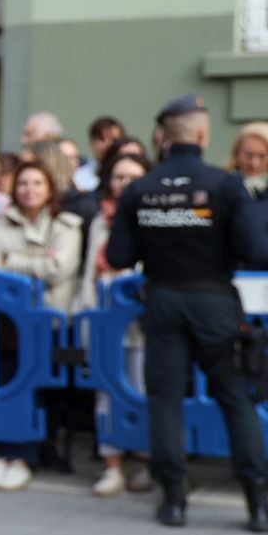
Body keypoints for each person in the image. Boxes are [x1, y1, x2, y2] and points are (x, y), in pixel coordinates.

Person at [106, 95, 268, 532]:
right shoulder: (225, 185)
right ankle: (258, 504)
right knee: (235, 399)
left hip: (162, 299)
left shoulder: (140, 189)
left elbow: (119, 255)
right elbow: (259, 250)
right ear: (202, 134)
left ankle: (173, 501)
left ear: (163, 137)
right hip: (214, 300)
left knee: (165, 401)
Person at [0, 157, 84, 492]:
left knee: (37, 390)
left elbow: (60, 268)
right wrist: (35, 264)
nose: (29, 189)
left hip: (48, 319)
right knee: (5, 385)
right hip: (7, 322)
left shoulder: (66, 225)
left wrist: (14, 261)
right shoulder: (1, 224)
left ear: (50, 188)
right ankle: (2, 454)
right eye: (23, 183)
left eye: (37, 183)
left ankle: (24, 456)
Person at [81, 152, 153, 497]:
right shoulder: (100, 221)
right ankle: (111, 465)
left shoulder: (154, 218)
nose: (124, 184)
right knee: (105, 395)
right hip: (104, 320)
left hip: (140, 324)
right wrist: (86, 315)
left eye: (133, 177)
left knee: (141, 391)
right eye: (119, 177)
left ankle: (144, 461)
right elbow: (87, 274)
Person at [75, 116, 123, 195]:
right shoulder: (79, 177)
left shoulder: (132, 175)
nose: (108, 144)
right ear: (91, 143)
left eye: (114, 140)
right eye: (101, 139)